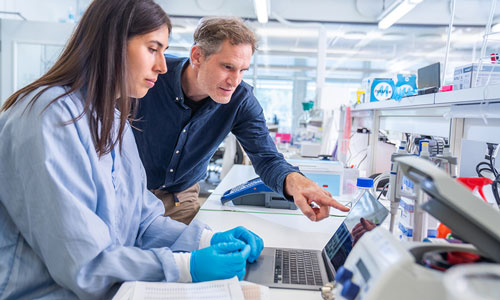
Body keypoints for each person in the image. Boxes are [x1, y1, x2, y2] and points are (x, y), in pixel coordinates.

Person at [0, 1, 262, 299]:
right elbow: (84, 263)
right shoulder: (49, 119)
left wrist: (206, 240)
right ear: (111, 44)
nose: (163, 66)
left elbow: (142, 220)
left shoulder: (112, 119)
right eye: (153, 48)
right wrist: (185, 266)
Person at [133, 17, 349, 224]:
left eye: (242, 70)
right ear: (197, 56)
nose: (234, 81)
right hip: (128, 189)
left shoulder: (241, 100)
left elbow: (267, 158)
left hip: (180, 197)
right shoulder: (150, 75)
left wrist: (296, 181)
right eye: (227, 67)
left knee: (185, 255)